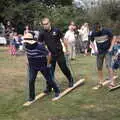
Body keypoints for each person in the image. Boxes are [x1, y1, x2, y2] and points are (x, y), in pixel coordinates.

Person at [38, 18, 74, 92]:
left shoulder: (56, 30)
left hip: (59, 53)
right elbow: (40, 44)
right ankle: (49, 87)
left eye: (46, 24)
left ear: (49, 23)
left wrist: (67, 50)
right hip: (50, 55)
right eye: (44, 24)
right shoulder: (42, 33)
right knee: (50, 71)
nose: (45, 26)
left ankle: (70, 79)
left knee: (64, 68)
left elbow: (64, 39)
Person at [23, 32, 60, 101]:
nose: (25, 43)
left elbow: (49, 54)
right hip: (32, 66)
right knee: (31, 80)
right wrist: (27, 60)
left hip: (42, 65)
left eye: (26, 41)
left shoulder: (40, 46)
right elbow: (26, 52)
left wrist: (48, 64)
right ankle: (32, 97)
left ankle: (57, 91)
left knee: (49, 79)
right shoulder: (26, 45)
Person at [90, 22, 116, 89]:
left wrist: (111, 47)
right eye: (95, 30)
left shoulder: (106, 30)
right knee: (99, 67)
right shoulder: (94, 32)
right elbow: (91, 41)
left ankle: (112, 82)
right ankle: (101, 82)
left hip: (107, 51)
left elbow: (114, 37)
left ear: (100, 27)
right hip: (99, 52)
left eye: (97, 30)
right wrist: (94, 49)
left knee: (108, 66)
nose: (96, 31)